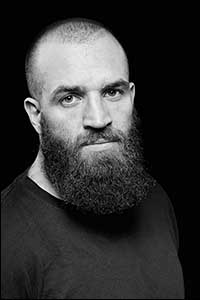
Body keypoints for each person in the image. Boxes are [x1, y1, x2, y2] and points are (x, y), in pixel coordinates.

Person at [1, 18, 185, 299]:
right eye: (70, 98)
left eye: (112, 92)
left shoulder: (156, 200)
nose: (98, 119)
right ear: (36, 115)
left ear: (132, 97)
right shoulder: (7, 238)